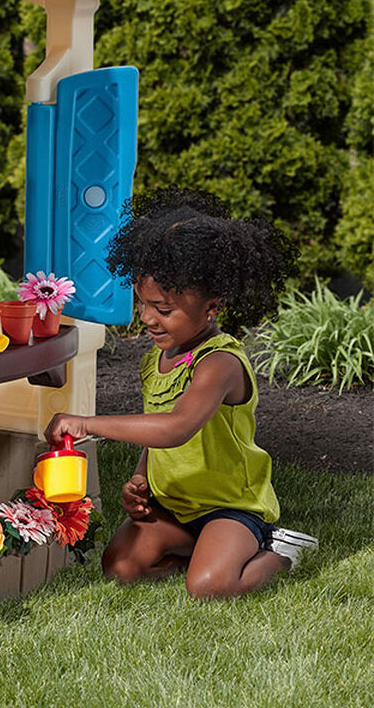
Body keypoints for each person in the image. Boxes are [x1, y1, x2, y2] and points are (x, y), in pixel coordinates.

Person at [45, 187, 318, 599]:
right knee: (120, 568)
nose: (148, 319)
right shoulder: (157, 358)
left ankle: (279, 553)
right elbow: (154, 429)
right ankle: (205, 552)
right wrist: (141, 478)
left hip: (229, 508)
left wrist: (87, 423)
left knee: (209, 587)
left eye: (164, 310)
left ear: (212, 307)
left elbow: (176, 427)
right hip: (174, 506)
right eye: (142, 304)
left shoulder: (219, 363)